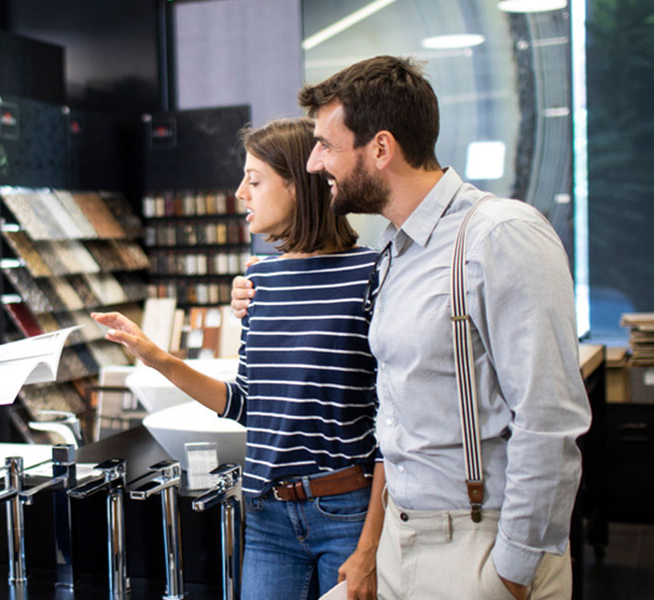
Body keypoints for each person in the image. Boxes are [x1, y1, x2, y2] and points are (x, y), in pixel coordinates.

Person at [232, 56, 591, 600]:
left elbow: (550, 422)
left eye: (326, 145)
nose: (312, 164)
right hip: (402, 539)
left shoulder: (500, 236)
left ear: (380, 148)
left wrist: (513, 573)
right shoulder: (395, 255)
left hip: (476, 544)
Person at [95, 118, 385, 600]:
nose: (239, 193)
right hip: (267, 515)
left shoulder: (370, 273)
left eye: (254, 180)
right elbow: (246, 403)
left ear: (300, 185)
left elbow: (390, 424)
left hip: (346, 514)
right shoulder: (260, 282)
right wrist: (156, 357)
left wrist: (370, 545)